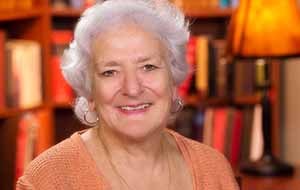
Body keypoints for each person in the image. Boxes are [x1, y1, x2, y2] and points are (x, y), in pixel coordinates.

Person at [17, 0, 239, 189]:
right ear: (90, 93)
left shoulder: (214, 171)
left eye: (148, 67)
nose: (132, 89)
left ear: (173, 81)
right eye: (110, 72)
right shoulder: (49, 179)